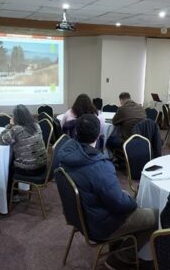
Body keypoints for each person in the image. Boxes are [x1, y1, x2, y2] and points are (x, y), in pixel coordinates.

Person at [56, 114, 157, 269]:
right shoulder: (98, 166)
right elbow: (120, 204)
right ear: (99, 135)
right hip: (100, 226)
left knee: (120, 195)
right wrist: (133, 201)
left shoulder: (64, 155)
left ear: (76, 133)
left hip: (80, 218)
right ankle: (122, 257)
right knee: (156, 216)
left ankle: (119, 246)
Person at [0, 105, 47, 199]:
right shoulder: (36, 125)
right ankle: (19, 191)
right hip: (42, 167)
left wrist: (10, 126)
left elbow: (1, 140)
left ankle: (13, 196)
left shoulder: (16, 129)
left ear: (16, 117)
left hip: (30, 170)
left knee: (7, 167)